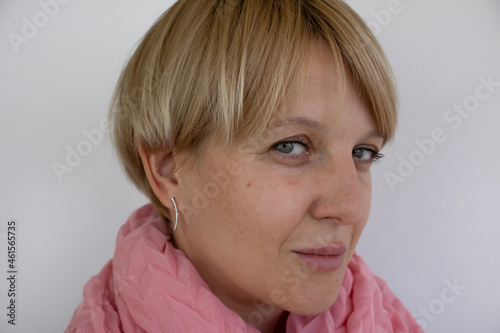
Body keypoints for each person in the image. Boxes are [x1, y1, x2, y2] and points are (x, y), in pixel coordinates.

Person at [67, 0, 424, 332]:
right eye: (291, 146)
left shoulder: (384, 319)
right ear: (169, 171)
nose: (350, 207)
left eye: (363, 153)